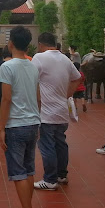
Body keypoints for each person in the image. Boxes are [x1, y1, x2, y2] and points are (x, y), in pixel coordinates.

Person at [0, 26, 41, 208]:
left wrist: (1, 128)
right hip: (32, 123)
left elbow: (6, 99)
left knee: (19, 173)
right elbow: (38, 97)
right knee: (29, 170)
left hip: (16, 124)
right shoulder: (33, 66)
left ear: (10, 44)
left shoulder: (7, 67)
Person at [32, 32, 81, 190]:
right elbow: (77, 77)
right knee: (60, 143)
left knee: (47, 145)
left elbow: (31, 79)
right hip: (61, 110)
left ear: (40, 44)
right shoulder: (65, 59)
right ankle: (61, 175)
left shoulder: (39, 58)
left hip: (46, 112)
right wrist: (67, 94)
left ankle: (50, 179)